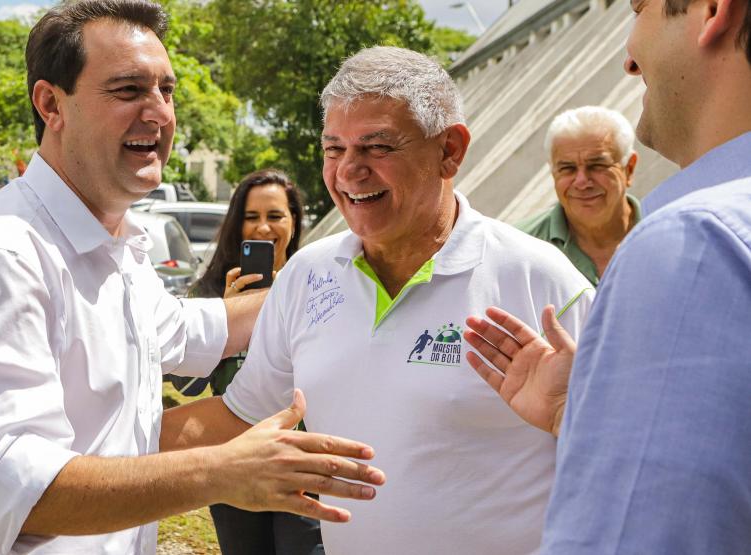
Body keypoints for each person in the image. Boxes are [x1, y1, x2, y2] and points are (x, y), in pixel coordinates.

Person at [0, 2, 384, 554]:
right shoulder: (0, 259)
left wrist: (339, 266)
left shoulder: (115, 248)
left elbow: (194, 331)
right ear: (52, 104)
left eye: (166, 91)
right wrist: (221, 472)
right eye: (127, 91)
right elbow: (23, 495)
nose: (160, 114)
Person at [212, 46, 595, 554]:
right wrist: (90, 448)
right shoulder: (307, 275)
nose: (349, 171)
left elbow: (636, 465)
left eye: (377, 147)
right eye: (334, 149)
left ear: (450, 150)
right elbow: (239, 416)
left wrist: (572, 419)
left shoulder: (540, 281)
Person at [463, 0, 751, 550]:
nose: (629, 63)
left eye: (639, 8)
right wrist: (590, 412)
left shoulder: (691, 243)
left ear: (713, 11)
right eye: (567, 169)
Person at [168, 169, 324, 555]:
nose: (263, 228)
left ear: (294, 222)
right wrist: (224, 316)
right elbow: (185, 385)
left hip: (303, 459)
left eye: (275, 216)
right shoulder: (210, 290)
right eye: (251, 217)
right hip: (234, 456)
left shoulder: (320, 286)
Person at [517, 106, 642, 284]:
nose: (582, 182)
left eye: (597, 165)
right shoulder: (518, 246)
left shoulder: (671, 233)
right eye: (567, 168)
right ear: (553, 173)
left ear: (629, 168)